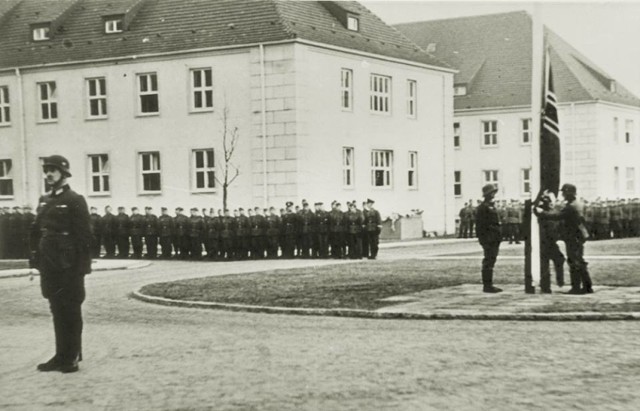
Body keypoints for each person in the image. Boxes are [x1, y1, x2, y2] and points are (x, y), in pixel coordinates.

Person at [29, 155, 91, 373]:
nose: (48, 174)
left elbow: (84, 237)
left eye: (53, 170)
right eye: (46, 170)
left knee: (71, 309)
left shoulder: (75, 200)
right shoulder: (44, 200)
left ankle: (72, 355)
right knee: (56, 308)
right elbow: (37, 231)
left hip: (69, 264)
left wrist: (82, 269)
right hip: (49, 263)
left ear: (64, 173)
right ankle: (60, 354)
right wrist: (35, 258)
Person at [534, 184, 593, 294]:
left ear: (568, 193)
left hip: (573, 236)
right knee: (579, 261)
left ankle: (576, 288)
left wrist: (542, 213)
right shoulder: (576, 203)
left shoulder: (571, 207)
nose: (562, 194)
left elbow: (557, 216)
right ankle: (587, 285)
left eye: (564, 193)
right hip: (578, 236)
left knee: (574, 261)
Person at [475, 184, 503, 293]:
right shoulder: (483, 208)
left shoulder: (490, 206)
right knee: (488, 261)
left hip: (494, 238)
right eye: (492, 192)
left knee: (492, 260)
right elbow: (480, 226)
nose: (493, 194)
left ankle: (489, 284)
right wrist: (483, 240)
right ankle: (487, 285)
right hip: (489, 238)